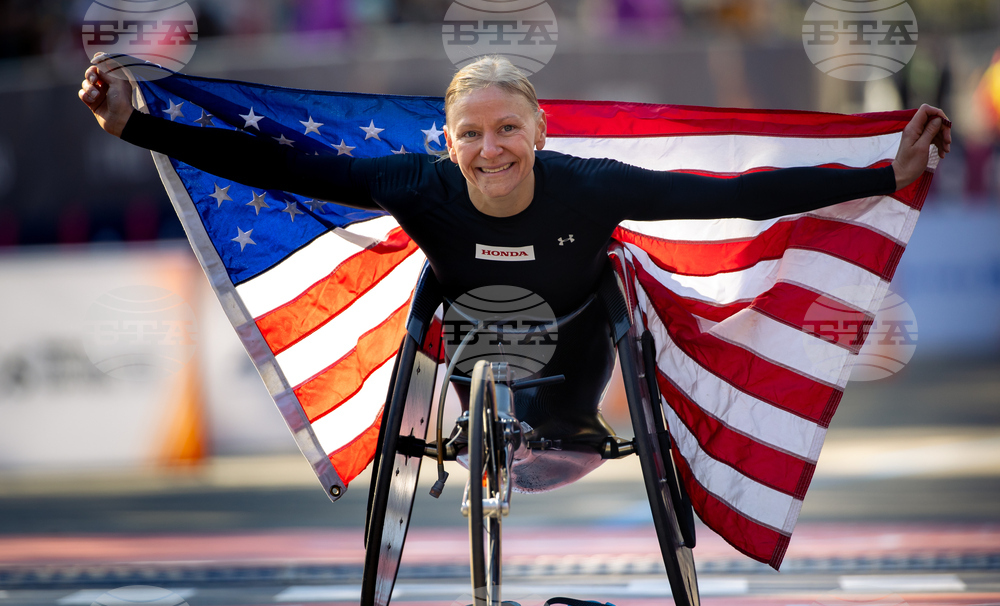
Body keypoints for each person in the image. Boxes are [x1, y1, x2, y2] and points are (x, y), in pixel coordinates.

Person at [79, 54, 951, 489]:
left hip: (578, 352)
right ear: (447, 141)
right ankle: (494, 433)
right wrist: (135, 125)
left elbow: (734, 193)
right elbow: (281, 165)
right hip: (476, 346)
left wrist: (885, 175)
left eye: (506, 130)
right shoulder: (413, 183)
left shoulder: (592, 186)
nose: (489, 149)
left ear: (538, 132)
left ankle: (553, 430)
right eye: (470, 133)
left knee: (571, 382)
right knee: (481, 369)